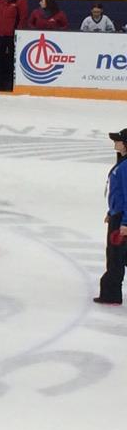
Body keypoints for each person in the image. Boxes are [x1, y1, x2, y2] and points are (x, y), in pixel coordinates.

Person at [94, 127, 127, 305]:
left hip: (122, 219)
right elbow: (118, 193)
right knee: (118, 255)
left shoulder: (126, 166)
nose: (115, 142)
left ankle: (111, 294)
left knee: (116, 256)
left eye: (118, 140)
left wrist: (125, 222)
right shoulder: (123, 163)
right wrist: (110, 212)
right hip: (117, 215)